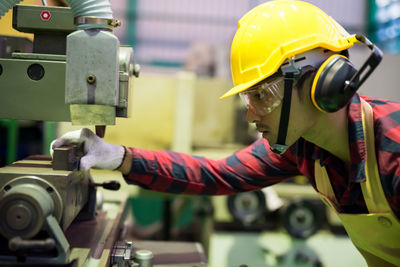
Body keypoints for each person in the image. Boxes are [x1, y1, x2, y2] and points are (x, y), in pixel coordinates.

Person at [52, 1, 400, 266]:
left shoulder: (394, 155)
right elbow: (218, 173)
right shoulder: (303, 147)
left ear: (323, 85)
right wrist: (118, 157)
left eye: (262, 97)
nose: (251, 114)